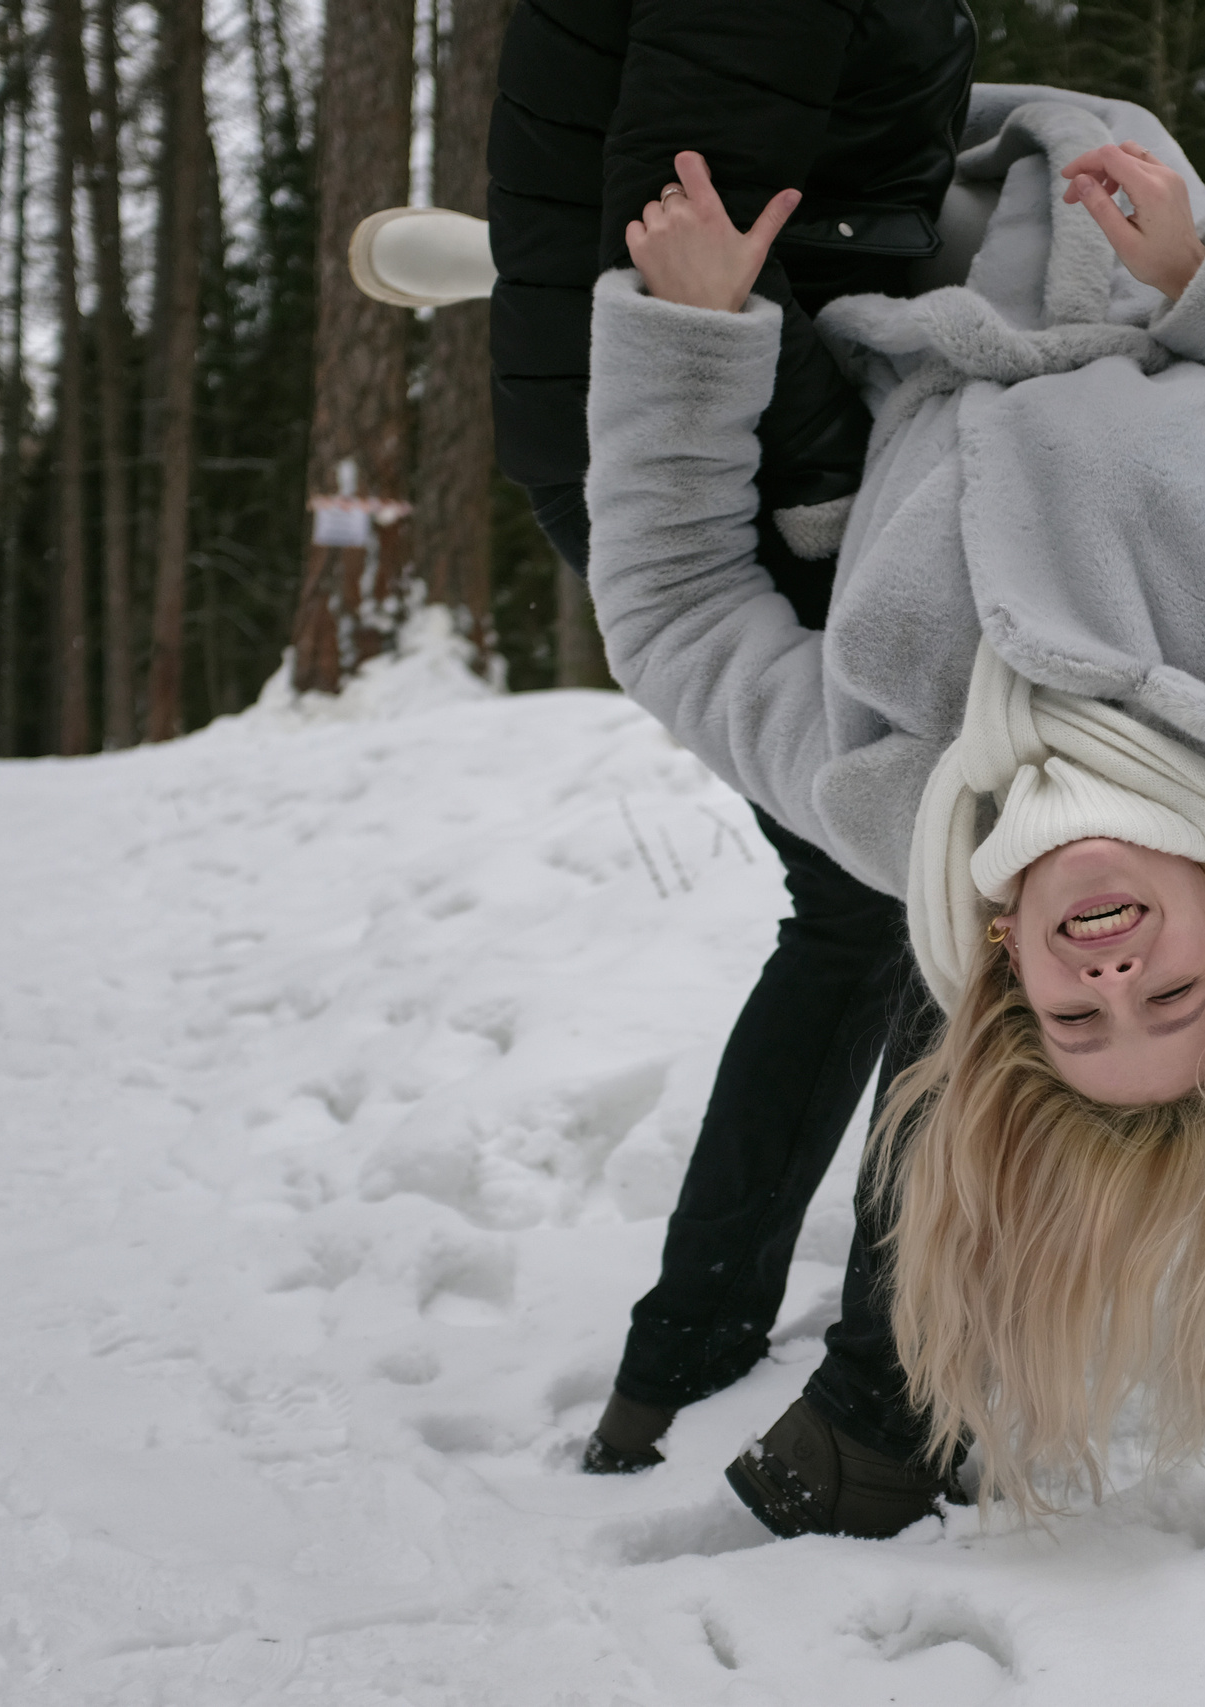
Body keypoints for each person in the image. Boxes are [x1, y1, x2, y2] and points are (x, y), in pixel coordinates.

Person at [588, 89, 1205, 1527]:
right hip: (1097, 220)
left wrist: (693, 341)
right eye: (1171, 997)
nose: (1115, 979)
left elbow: (671, 608)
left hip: (838, 290)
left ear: (1011, 975)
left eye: (1080, 1024)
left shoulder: (879, 796)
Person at [478, 0, 980, 1483]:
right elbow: (699, 249)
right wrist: (851, 484)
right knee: (950, 891)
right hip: (729, 459)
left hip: (684, 442)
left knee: (863, 910)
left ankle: (688, 1363)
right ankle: (885, 1425)